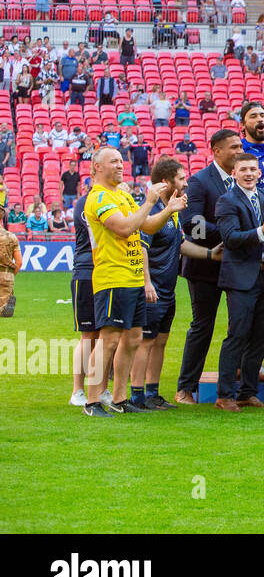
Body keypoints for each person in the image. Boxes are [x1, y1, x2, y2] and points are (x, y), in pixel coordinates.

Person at [82, 148, 170, 417]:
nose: (121, 165)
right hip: (112, 277)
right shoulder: (98, 198)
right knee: (108, 340)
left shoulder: (122, 194)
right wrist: (148, 201)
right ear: (97, 167)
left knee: (132, 339)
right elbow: (124, 227)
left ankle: (119, 399)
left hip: (131, 277)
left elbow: (148, 226)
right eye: (114, 161)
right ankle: (92, 401)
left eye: (122, 161)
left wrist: (169, 209)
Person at [213, 153, 264, 411]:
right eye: (243, 169)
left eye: (253, 169)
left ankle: (247, 393)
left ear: (260, 173)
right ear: (234, 173)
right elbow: (230, 237)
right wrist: (262, 232)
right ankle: (224, 395)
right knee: (237, 335)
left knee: (260, 337)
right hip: (241, 278)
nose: (249, 174)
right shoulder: (227, 201)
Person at [174, 129, 241, 405]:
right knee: (203, 325)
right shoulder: (199, 181)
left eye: (240, 146)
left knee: (241, 322)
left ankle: (241, 375)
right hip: (205, 265)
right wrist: (230, 233)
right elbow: (192, 224)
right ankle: (185, 387)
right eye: (233, 147)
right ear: (216, 150)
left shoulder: (243, 180)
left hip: (236, 263)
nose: (238, 151)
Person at [131, 158, 193, 410]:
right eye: (181, 178)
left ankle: (152, 393)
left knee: (160, 341)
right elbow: (142, 248)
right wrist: (147, 283)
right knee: (145, 341)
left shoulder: (173, 208)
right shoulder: (152, 209)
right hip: (152, 289)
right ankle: (136, 395)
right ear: (166, 182)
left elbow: (180, 245)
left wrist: (211, 254)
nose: (186, 182)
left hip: (168, 290)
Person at [68, 191, 97, 407]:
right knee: (88, 335)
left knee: (107, 335)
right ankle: (77, 390)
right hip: (87, 271)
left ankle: (100, 388)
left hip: (110, 272)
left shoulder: (114, 198)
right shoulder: (86, 202)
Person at [238, 101, 264, 192]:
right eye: (253, 116)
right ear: (242, 124)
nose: (260, 119)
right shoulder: (238, 150)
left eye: (263, 115)